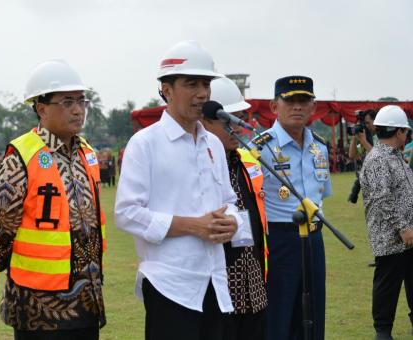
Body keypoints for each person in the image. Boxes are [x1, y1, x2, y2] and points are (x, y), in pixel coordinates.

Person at [115, 40, 240, 340]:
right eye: (191, 84)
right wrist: (193, 226)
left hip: (214, 280)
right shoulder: (145, 144)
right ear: (166, 90)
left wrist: (232, 221)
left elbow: (229, 200)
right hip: (169, 284)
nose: (202, 93)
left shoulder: (213, 143)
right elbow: (127, 213)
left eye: (206, 84)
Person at [0, 59, 106, 340]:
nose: (78, 110)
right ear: (41, 108)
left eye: (81, 101)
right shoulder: (21, 155)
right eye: (67, 102)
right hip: (38, 307)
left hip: (87, 301)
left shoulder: (86, 152)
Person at [250, 76, 331, 340]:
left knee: (314, 314)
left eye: (304, 100)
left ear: (312, 107)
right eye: (290, 100)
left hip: (314, 237)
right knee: (280, 313)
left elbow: (323, 194)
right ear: (274, 107)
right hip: (280, 241)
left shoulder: (319, 147)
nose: (297, 107)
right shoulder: (259, 149)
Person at [201, 77, 268, 340]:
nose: (237, 128)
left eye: (240, 118)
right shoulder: (200, 164)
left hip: (253, 279)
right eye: (229, 120)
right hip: (220, 284)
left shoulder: (244, 161)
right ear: (206, 121)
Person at [359, 105, 413, 340]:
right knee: (387, 287)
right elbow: (383, 198)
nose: (407, 136)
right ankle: (383, 333)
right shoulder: (379, 159)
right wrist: (403, 227)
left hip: (408, 235)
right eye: (406, 131)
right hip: (391, 237)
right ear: (399, 132)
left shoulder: (395, 156)